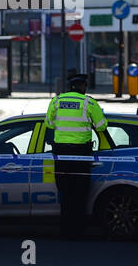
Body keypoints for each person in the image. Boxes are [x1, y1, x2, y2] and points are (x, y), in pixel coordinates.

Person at [45, 73, 107, 239]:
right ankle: (78, 231)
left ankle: (65, 230)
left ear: (70, 86)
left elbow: (49, 123)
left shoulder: (57, 101)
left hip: (62, 155)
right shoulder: (89, 102)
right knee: (79, 194)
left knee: (65, 193)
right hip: (81, 155)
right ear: (83, 86)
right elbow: (101, 127)